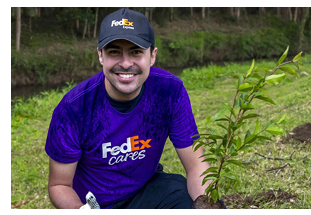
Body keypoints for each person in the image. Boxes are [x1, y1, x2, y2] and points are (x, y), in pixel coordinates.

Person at [45, 8, 225, 209]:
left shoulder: (170, 91)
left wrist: (206, 206)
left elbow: (196, 165)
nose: (125, 63)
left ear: (152, 55)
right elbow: (59, 185)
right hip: (96, 204)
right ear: (101, 56)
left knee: (185, 195)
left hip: (147, 188)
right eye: (114, 52)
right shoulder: (73, 108)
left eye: (136, 52)